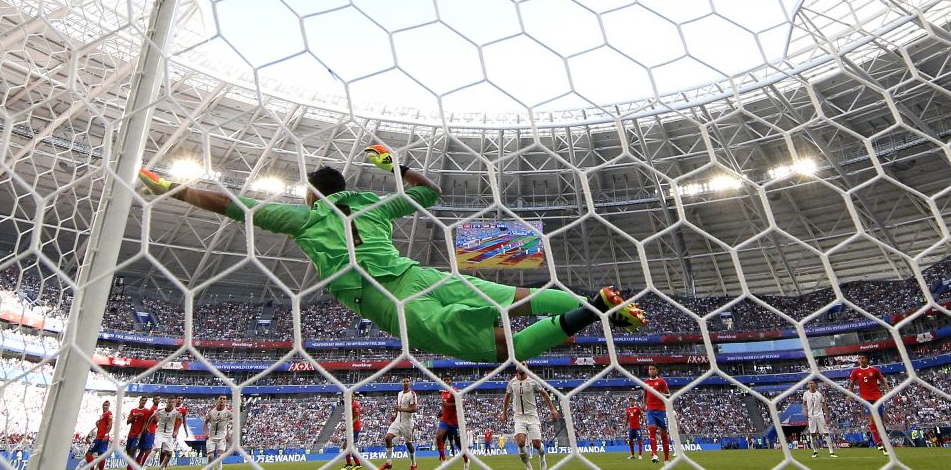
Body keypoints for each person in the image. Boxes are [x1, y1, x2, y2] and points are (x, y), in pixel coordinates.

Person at [139, 145, 646, 363]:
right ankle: (597, 304)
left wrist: (173, 190)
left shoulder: (305, 216)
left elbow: (232, 205)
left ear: (313, 193)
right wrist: (392, 163)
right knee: (520, 298)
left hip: (384, 298)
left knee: (501, 350)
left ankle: (594, 311)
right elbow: (429, 193)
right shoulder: (371, 208)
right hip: (419, 273)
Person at [499, 364, 558, 470]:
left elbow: (545, 394)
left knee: (536, 444)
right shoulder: (512, 383)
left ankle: (542, 457)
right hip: (519, 417)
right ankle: (529, 466)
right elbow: (507, 397)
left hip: (532, 416)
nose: (521, 366)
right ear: (516, 368)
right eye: (520, 364)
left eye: (524, 364)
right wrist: (504, 413)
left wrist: (552, 409)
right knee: (520, 442)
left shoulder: (533, 382)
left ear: (527, 368)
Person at [846, 355, 888, 453]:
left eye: (863, 358)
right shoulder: (855, 372)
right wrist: (849, 396)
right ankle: (878, 442)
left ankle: (883, 441)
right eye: (860, 359)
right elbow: (851, 385)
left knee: (881, 421)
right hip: (866, 399)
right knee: (872, 418)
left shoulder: (874, 370)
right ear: (858, 361)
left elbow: (882, 380)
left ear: (867, 360)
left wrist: (888, 390)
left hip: (877, 397)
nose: (861, 360)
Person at [384, 376, 419, 470]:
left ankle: (413, 463)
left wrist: (401, 409)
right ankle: (389, 462)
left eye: (407, 381)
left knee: (408, 444)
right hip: (397, 421)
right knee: (387, 438)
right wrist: (395, 416)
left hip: (407, 423)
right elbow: (398, 407)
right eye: (404, 381)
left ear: (410, 383)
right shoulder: (399, 394)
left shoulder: (412, 394)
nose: (405, 383)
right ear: (402, 383)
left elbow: (414, 409)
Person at [642, 365, 671, 463]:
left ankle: (666, 459)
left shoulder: (662, 382)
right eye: (650, 369)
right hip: (650, 411)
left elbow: (668, 395)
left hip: (661, 411)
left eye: (653, 369)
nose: (651, 371)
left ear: (657, 371)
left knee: (663, 435)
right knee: (652, 429)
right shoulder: (646, 382)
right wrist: (644, 405)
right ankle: (654, 454)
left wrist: (663, 394)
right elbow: (645, 395)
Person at [801, 380, 837, 458]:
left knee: (826, 433)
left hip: (820, 415)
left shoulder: (819, 394)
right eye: (809, 383)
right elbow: (803, 404)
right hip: (811, 416)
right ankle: (815, 451)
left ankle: (831, 452)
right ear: (808, 385)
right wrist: (804, 410)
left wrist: (826, 416)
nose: (810, 385)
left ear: (815, 385)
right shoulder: (805, 394)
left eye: (812, 383)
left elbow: (824, 405)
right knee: (812, 434)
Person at [154, 397, 187, 470]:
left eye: (181, 399)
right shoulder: (168, 408)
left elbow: (183, 421)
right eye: (178, 398)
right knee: (163, 451)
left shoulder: (182, 410)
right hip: (165, 431)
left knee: (168, 452)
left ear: (183, 401)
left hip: (173, 432)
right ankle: (162, 466)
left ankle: (163, 466)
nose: (179, 400)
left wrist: (183, 431)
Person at [203, 397, 233, 466]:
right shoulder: (211, 412)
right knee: (210, 457)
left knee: (220, 456)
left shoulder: (228, 412)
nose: (222, 400)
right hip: (211, 437)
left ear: (226, 401)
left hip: (222, 437)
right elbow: (205, 423)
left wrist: (229, 433)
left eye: (224, 399)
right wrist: (205, 433)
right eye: (221, 398)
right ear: (218, 400)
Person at [125, 396, 152, 468]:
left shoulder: (146, 411)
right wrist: (135, 416)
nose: (144, 402)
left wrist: (140, 433)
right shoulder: (133, 410)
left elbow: (145, 423)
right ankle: (133, 465)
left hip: (137, 435)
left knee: (133, 450)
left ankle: (131, 467)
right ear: (139, 401)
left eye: (145, 401)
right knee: (128, 451)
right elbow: (128, 422)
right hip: (131, 434)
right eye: (142, 400)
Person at [86, 400, 114, 470]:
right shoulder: (103, 415)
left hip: (101, 437)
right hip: (101, 436)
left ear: (109, 406)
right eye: (104, 405)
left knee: (88, 454)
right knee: (101, 455)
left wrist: (106, 434)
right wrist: (98, 424)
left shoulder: (109, 413)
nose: (105, 406)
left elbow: (110, 425)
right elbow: (103, 426)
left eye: (106, 405)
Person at [437, 388, 463, 461]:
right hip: (445, 425)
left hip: (453, 423)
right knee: (441, 438)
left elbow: (459, 404)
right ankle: (442, 456)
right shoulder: (443, 400)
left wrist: (447, 405)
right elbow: (445, 411)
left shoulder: (453, 393)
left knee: (454, 441)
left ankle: (455, 454)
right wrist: (441, 414)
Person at [342, 390, 364, 468]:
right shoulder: (349, 405)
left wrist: (348, 425)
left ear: (354, 397)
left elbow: (356, 418)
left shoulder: (355, 405)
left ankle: (352, 464)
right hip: (352, 428)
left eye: (352, 396)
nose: (350, 397)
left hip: (355, 428)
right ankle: (354, 464)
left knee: (347, 446)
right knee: (347, 446)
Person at [625, 391, 645, 460]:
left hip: (637, 428)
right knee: (630, 441)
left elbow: (642, 416)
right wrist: (625, 425)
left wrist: (643, 422)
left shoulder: (637, 409)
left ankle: (640, 455)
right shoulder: (628, 410)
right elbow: (627, 418)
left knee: (639, 440)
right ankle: (633, 455)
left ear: (634, 401)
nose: (631, 402)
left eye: (632, 401)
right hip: (631, 428)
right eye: (630, 401)